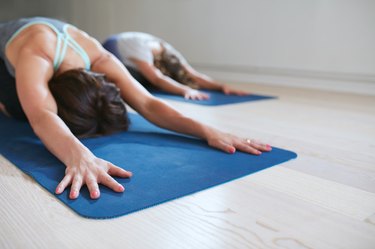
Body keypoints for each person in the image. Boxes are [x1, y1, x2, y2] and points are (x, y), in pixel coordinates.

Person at [0, 17, 271, 200]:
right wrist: (79, 156)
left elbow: (148, 103)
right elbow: (42, 114)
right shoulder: (37, 56)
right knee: (20, 109)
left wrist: (209, 131)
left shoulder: (100, 57)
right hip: (8, 52)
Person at [103, 32, 249, 100]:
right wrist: (184, 89)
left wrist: (221, 86)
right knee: (140, 81)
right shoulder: (141, 50)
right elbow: (157, 78)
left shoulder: (169, 51)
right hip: (110, 54)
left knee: (152, 80)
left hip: (131, 54)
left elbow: (192, 74)